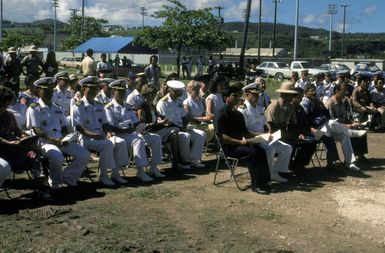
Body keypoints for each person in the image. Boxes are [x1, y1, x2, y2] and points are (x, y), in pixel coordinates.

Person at [26, 77, 91, 188]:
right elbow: (36, 130)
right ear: (38, 91)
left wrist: (67, 138)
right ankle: (54, 181)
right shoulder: (34, 108)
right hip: (45, 143)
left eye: (51, 89)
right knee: (58, 157)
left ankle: (68, 176)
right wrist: (53, 140)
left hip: (60, 141)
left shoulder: (57, 107)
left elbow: (64, 126)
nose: (49, 92)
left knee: (84, 154)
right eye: (46, 90)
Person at [71, 76, 129, 186]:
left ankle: (115, 173)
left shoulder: (99, 105)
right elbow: (78, 127)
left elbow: (105, 124)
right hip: (85, 138)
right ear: (83, 89)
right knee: (107, 145)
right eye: (91, 89)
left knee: (120, 142)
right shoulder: (78, 106)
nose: (94, 91)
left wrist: (111, 132)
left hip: (99, 137)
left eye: (95, 89)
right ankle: (104, 176)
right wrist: (94, 135)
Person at [105, 80, 165, 181]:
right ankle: (139, 171)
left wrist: (145, 127)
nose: (122, 93)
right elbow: (110, 127)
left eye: (124, 91)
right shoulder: (109, 107)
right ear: (113, 92)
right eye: (119, 91)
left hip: (130, 133)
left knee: (156, 138)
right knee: (138, 140)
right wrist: (127, 130)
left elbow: (136, 122)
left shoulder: (127, 106)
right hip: (117, 135)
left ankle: (153, 168)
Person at [216, 85, 271, 194]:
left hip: (241, 144)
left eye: (238, 96)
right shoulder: (220, 113)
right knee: (253, 152)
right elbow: (222, 136)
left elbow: (245, 133)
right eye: (234, 96)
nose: (237, 98)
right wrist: (240, 142)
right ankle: (255, 185)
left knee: (261, 151)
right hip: (229, 147)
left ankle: (263, 181)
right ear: (226, 97)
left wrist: (261, 136)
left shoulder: (237, 114)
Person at [301, 84, 364, 171]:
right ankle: (350, 132)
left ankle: (350, 163)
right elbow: (305, 121)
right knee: (331, 123)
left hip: (325, 128)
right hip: (314, 130)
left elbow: (327, 115)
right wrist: (312, 129)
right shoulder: (304, 104)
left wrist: (320, 104)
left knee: (344, 136)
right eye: (312, 91)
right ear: (305, 92)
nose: (314, 92)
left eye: (315, 90)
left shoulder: (317, 102)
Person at [238, 82, 292, 183]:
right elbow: (244, 131)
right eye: (254, 95)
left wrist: (269, 133)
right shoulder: (242, 110)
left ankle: (275, 172)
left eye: (258, 95)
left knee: (287, 148)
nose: (257, 97)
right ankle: (269, 175)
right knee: (270, 149)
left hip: (263, 138)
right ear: (247, 95)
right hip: (251, 139)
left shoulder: (259, 108)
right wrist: (262, 135)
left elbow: (263, 125)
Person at [265, 81, 316, 174]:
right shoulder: (274, 106)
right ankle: (280, 170)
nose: (293, 97)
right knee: (291, 144)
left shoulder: (290, 107)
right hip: (272, 135)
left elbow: (293, 124)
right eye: (290, 95)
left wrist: (299, 134)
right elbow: (272, 127)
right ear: (283, 94)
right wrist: (291, 135)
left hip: (285, 133)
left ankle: (296, 165)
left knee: (310, 142)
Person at [156, 80, 206, 168]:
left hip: (181, 127)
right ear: (170, 90)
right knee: (185, 136)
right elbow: (164, 121)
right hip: (169, 130)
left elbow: (184, 116)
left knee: (200, 134)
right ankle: (184, 161)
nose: (179, 93)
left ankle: (194, 159)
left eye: (180, 91)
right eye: (177, 91)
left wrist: (188, 124)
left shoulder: (179, 101)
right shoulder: (163, 102)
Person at [325, 82, 370, 163]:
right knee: (348, 132)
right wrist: (346, 125)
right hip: (333, 128)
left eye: (346, 91)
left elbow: (345, 117)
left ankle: (361, 155)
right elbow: (331, 121)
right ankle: (348, 158)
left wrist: (353, 122)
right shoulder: (330, 103)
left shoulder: (342, 102)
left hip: (343, 125)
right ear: (336, 91)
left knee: (360, 129)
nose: (345, 93)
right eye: (343, 91)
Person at [183, 80, 214, 146]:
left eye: (198, 90)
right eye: (196, 90)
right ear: (190, 90)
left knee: (215, 127)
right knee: (212, 128)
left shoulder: (200, 100)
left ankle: (216, 148)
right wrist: (202, 118)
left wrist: (206, 118)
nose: (198, 92)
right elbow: (187, 117)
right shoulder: (186, 102)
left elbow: (203, 114)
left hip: (201, 124)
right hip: (192, 125)